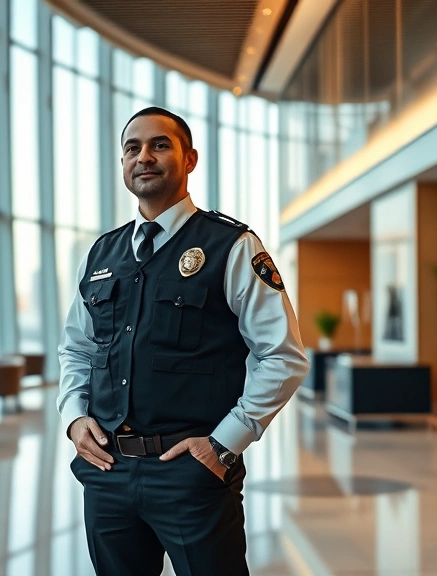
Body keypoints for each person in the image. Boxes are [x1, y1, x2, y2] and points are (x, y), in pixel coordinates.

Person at [57, 107, 309, 576]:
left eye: (160, 145)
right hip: (108, 473)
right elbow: (78, 347)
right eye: (132, 148)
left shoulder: (231, 245)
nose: (143, 157)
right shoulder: (100, 254)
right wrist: (74, 418)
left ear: (189, 158)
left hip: (192, 474)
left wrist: (224, 444)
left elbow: (282, 356)